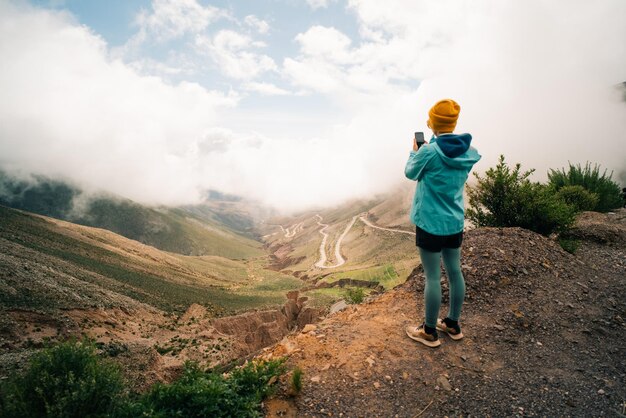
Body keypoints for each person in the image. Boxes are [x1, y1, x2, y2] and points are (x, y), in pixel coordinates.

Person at [403, 99, 481, 348]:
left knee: (433, 277)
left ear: (432, 123)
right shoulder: (468, 152)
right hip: (454, 222)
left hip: (429, 223)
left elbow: (410, 172)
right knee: (455, 271)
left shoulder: (428, 152)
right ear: (454, 123)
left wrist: (415, 150)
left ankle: (428, 331)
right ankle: (452, 323)